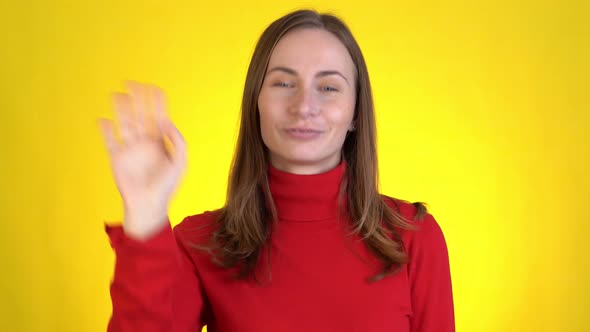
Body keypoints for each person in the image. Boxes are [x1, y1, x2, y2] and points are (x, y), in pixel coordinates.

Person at [99, 9, 455, 332]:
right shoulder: (201, 242)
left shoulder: (414, 238)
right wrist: (145, 219)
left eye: (328, 87)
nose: (304, 106)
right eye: (283, 83)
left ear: (356, 113)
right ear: (256, 102)